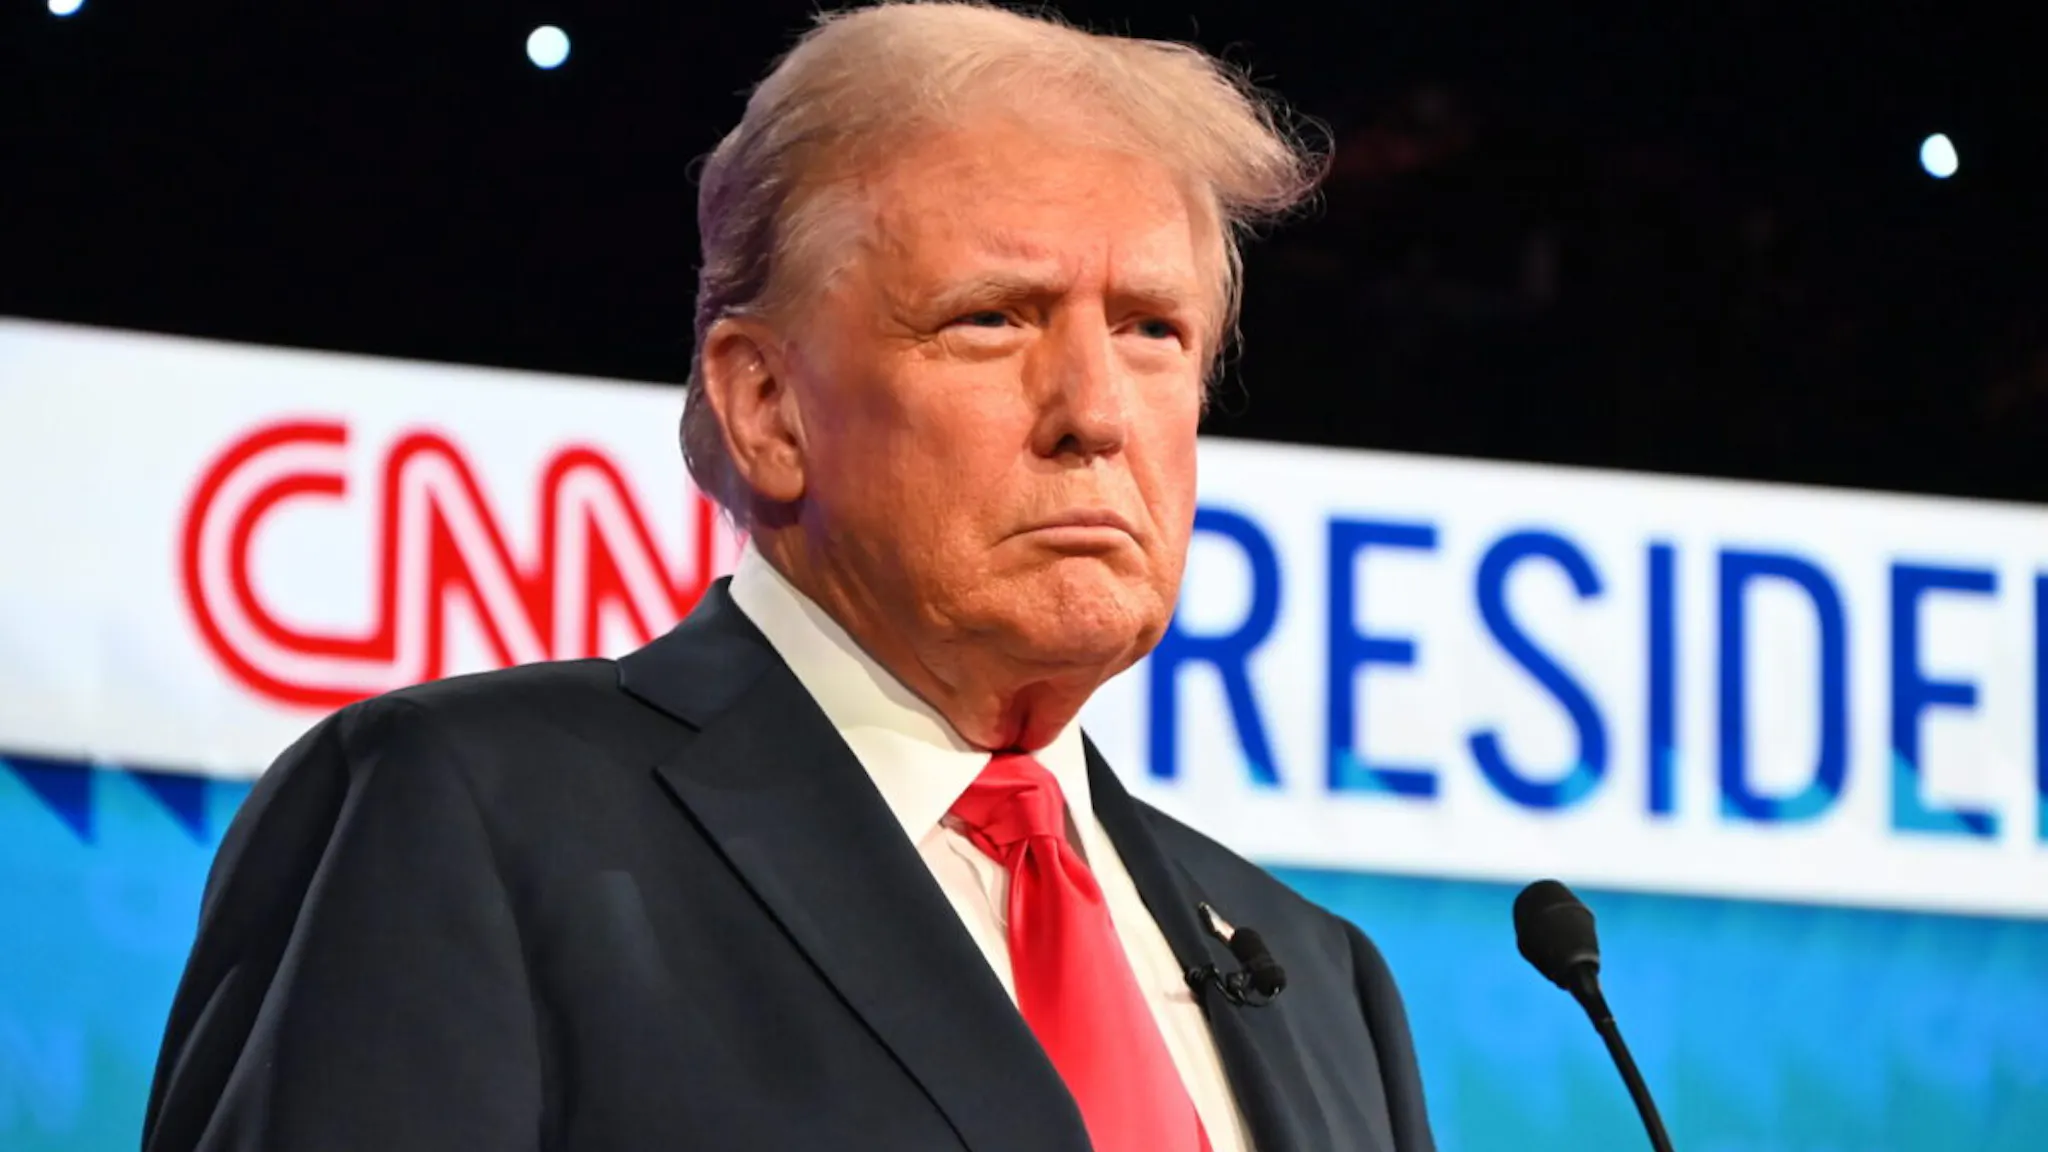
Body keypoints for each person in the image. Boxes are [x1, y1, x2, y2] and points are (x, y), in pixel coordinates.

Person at [142, 4, 1435, 1150]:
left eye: (1153, 330)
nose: (1095, 413)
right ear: (766, 406)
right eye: (993, 318)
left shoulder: (1322, 983)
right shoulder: (467, 815)